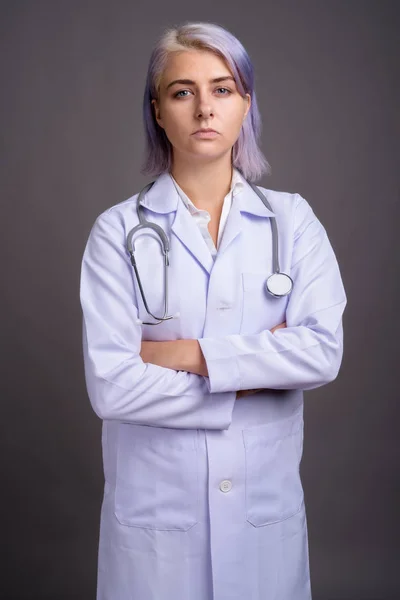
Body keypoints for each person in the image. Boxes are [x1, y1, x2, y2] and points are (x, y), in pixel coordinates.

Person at [79, 21, 346, 600]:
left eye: (223, 89)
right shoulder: (117, 232)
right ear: (157, 110)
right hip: (158, 524)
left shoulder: (291, 222)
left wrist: (187, 356)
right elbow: (113, 387)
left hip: (261, 516)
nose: (205, 108)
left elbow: (321, 353)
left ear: (246, 103)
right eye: (183, 92)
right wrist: (256, 372)